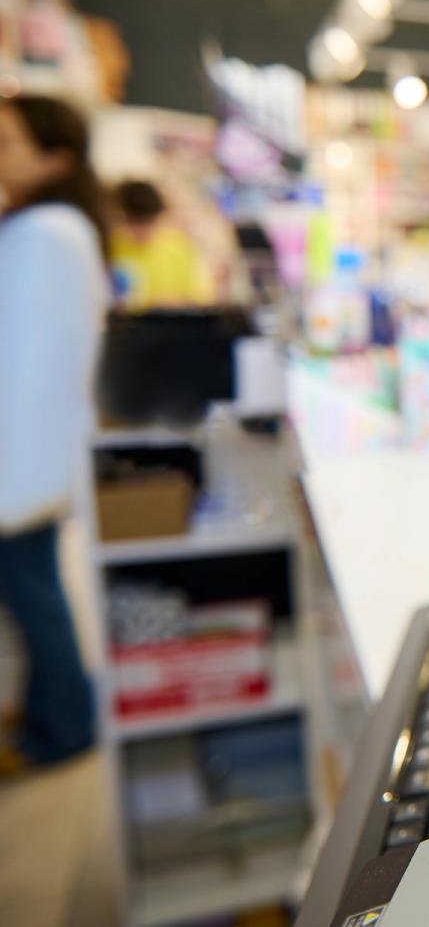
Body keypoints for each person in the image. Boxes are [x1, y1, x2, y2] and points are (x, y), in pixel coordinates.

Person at [0, 95, 109, 774]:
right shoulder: (54, 231)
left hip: (22, 458)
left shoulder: (42, 234)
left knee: (35, 598)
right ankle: (56, 716)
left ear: (55, 157)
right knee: (36, 595)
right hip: (30, 455)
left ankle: (62, 726)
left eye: (8, 142)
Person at [110, 178, 213, 308]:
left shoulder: (179, 246)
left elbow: (200, 299)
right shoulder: (112, 248)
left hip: (169, 323)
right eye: (135, 223)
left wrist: (175, 302)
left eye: (149, 222)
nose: (142, 231)